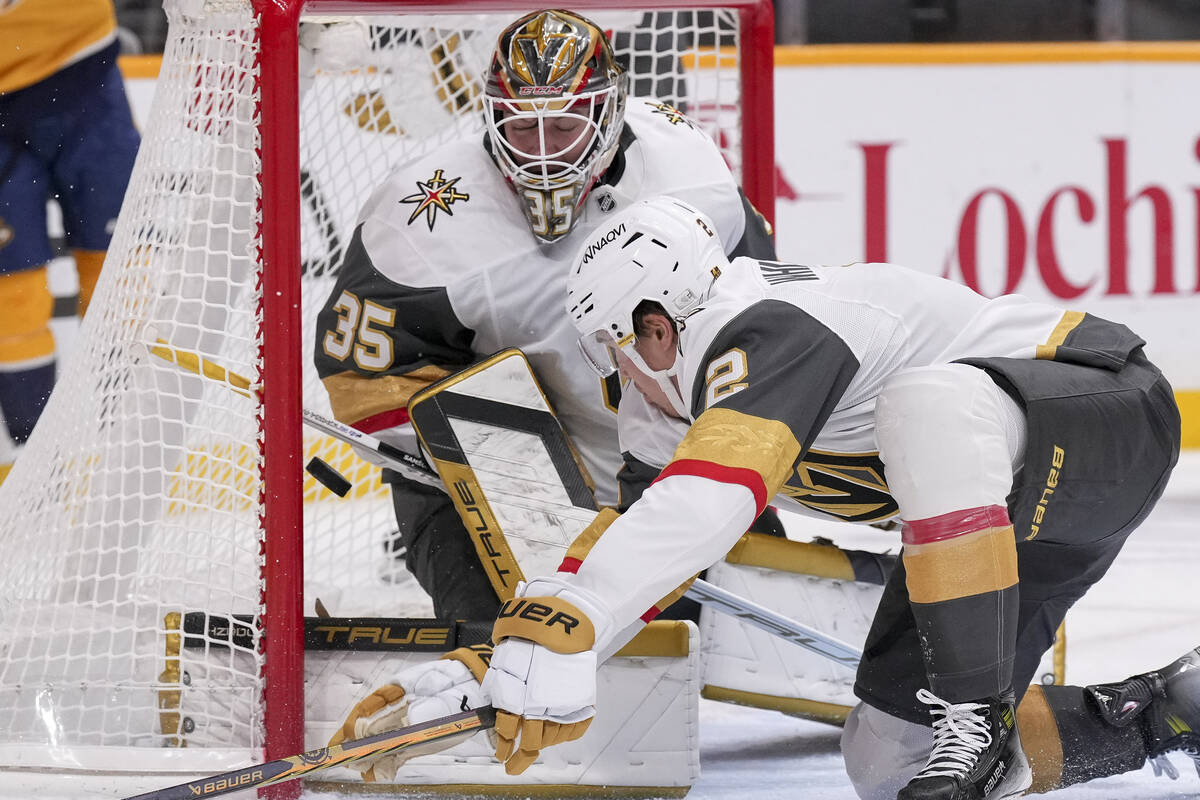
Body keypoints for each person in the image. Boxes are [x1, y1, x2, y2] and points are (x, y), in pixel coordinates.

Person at [473, 195, 1192, 799]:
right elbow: (644, 552)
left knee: (927, 404)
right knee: (886, 759)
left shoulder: (768, 323)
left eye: (615, 349)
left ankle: (971, 719)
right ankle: (1165, 714)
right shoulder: (675, 409)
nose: (619, 380)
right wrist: (496, 662)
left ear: (658, 329)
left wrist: (580, 618)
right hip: (1008, 527)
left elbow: (709, 501)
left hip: (1108, 422)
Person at [313, 8, 778, 623]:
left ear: (608, 113)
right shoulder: (418, 217)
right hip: (497, 496)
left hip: (665, 465)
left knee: (735, 646)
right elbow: (361, 375)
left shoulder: (685, 173)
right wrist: (497, 467)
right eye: (519, 127)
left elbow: (764, 320)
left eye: (562, 127)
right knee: (515, 656)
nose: (540, 154)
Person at [0, 0, 140, 482]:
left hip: (85, 76)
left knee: (120, 270)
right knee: (9, 296)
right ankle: (36, 463)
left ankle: (135, 438)